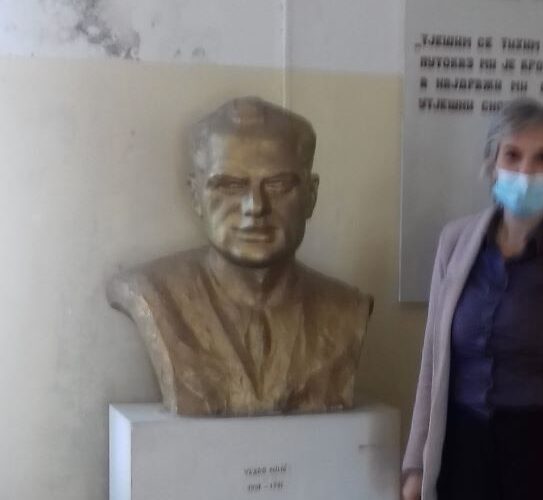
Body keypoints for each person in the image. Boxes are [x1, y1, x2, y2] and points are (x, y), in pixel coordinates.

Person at [401, 98, 543, 500]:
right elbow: (432, 361)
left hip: (541, 452)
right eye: (513, 155)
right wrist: (416, 464)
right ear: (492, 163)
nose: (526, 172)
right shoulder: (455, 242)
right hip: (461, 448)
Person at [107, 97, 372, 416]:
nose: (255, 207)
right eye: (230, 186)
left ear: (311, 196)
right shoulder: (152, 294)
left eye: (278, 185)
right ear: (196, 196)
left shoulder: (345, 310)